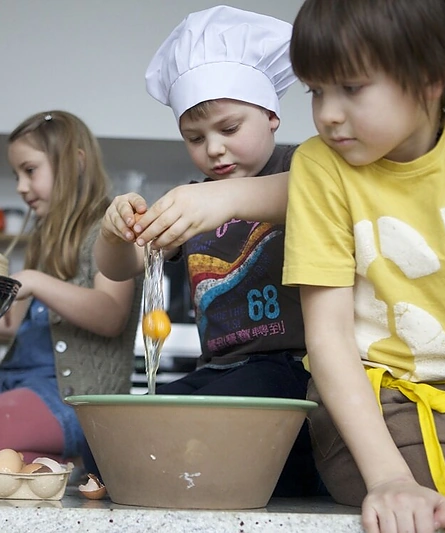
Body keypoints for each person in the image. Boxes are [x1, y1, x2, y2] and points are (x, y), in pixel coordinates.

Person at [282, 0, 445, 531]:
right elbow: (328, 338)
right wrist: (388, 479)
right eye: (316, 91)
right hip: (371, 412)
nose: (327, 113)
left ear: (431, 78)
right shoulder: (318, 165)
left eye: (351, 88)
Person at [95, 5, 322, 497]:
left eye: (230, 128)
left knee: (228, 411)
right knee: (113, 429)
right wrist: (113, 233)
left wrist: (218, 200)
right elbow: (122, 266)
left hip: (294, 370)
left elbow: (324, 193)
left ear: (271, 115)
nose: (214, 149)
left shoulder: (305, 166)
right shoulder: (192, 199)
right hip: (216, 371)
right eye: (194, 138)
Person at [0, 110, 142, 467]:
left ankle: (56, 459)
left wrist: (36, 281)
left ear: (75, 164)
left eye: (30, 170)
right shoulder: (43, 240)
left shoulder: (107, 231)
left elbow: (112, 314)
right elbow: (9, 324)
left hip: (73, 400)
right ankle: (55, 464)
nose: (21, 186)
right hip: (14, 387)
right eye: (16, 175)